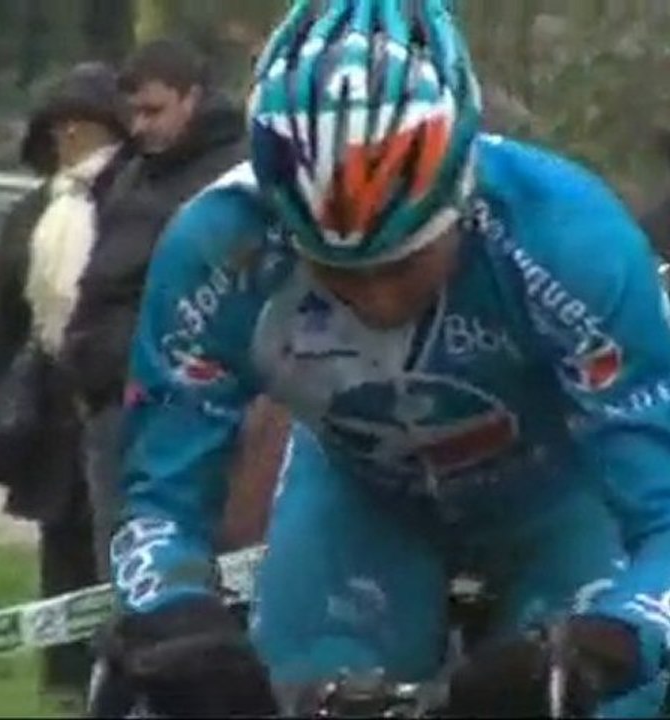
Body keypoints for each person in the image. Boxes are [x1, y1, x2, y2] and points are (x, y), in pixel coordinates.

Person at [96, 1, 670, 717]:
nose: (376, 298)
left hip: (565, 501)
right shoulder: (218, 248)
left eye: (403, 262)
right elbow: (160, 499)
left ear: (463, 195)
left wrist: (611, 645)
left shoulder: (570, 241)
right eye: (335, 272)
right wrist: (173, 613)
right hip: (360, 500)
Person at [0, 61, 131, 693]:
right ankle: (63, 681)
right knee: (60, 549)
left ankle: (116, 680)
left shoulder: (132, 203)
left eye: (84, 125)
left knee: (113, 547)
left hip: (116, 398)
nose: (71, 138)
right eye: (60, 126)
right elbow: (3, 324)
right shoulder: (34, 210)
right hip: (51, 403)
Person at [59, 38, 249, 579]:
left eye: (154, 110)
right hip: (109, 391)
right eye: (133, 113)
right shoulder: (134, 170)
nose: (141, 126)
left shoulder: (229, 179)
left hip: (177, 399)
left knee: (166, 566)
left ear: (193, 98)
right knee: (117, 565)